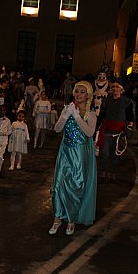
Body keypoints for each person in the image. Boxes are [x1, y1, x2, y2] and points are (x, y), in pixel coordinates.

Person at [48, 81, 97, 236]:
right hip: (65, 152)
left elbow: (89, 133)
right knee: (59, 184)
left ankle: (71, 219)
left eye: (82, 92)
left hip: (80, 155)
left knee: (76, 185)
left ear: (88, 95)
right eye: (77, 91)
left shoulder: (91, 114)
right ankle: (57, 218)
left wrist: (77, 117)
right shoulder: (68, 109)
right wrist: (64, 116)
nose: (78, 94)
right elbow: (57, 129)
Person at [97, 81, 134, 183]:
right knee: (104, 154)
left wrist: (129, 129)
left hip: (119, 132)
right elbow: (101, 116)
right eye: (113, 87)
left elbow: (130, 117)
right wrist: (95, 128)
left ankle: (112, 173)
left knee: (115, 155)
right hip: (106, 130)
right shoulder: (106, 100)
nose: (114, 89)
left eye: (117, 87)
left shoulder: (126, 102)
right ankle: (103, 173)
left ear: (121, 89)